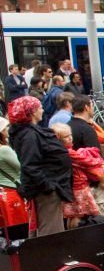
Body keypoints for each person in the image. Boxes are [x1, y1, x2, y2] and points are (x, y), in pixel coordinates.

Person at [8, 96, 71, 236]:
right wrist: (48, 186)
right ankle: (50, 256)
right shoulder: (29, 135)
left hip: (47, 186)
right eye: (39, 107)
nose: (42, 110)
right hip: (45, 190)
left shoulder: (29, 133)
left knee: (48, 226)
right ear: (32, 112)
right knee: (51, 230)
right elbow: (30, 164)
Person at [51, 122, 103, 228]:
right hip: (78, 188)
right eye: (66, 137)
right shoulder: (69, 153)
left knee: (73, 216)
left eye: (70, 135)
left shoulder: (59, 152)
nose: (70, 138)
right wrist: (99, 160)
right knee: (78, 216)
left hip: (70, 188)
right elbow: (87, 161)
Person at [0, 117, 19, 190]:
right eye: (6, 127)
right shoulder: (4, 150)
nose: (8, 129)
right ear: (1, 131)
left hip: (3, 189)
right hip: (12, 188)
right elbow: (21, 166)